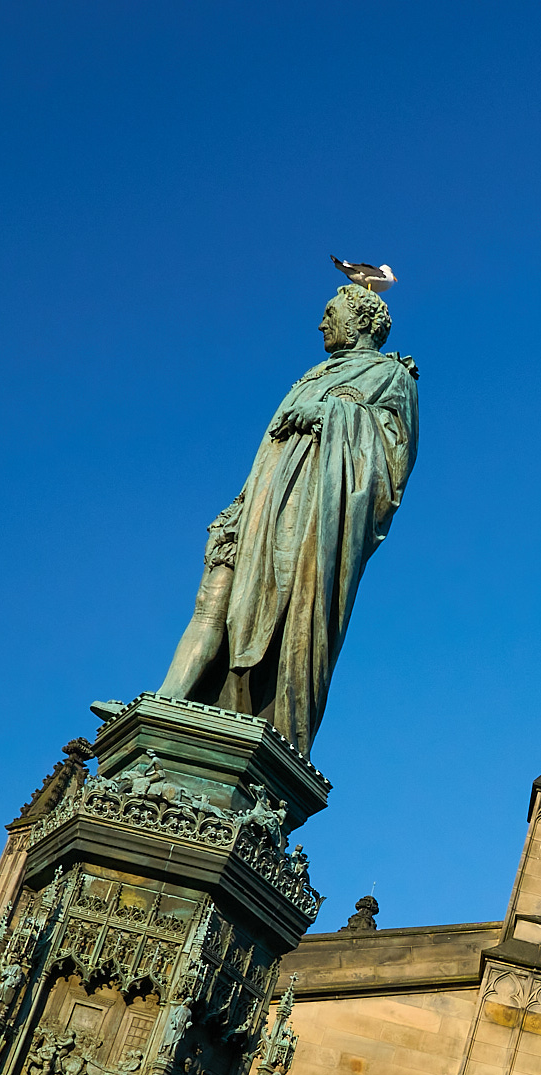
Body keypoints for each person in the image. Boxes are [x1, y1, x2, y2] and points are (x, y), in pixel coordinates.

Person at [158, 283, 419, 754]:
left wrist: (328, 412)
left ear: (360, 321)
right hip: (261, 510)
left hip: (313, 515)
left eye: (329, 313)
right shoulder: (312, 374)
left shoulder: (391, 377)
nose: (321, 323)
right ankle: (171, 704)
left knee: (284, 616)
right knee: (221, 600)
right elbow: (267, 457)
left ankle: (259, 720)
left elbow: (388, 464)